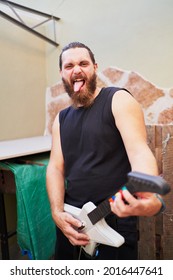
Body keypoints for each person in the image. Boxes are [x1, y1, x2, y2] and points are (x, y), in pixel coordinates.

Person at [46, 42, 162, 260]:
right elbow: (55, 168)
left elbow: (139, 151)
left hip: (112, 220)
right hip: (70, 221)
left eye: (83, 63)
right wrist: (57, 213)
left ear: (95, 68)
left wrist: (150, 193)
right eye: (69, 66)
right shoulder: (60, 120)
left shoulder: (118, 99)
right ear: (62, 73)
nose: (77, 69)